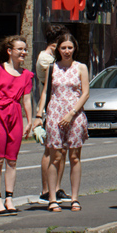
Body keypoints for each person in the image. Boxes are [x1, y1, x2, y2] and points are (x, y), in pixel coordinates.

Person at [0, 36, 34, 215]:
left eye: (25, 49)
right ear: (10, 51)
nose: (23, 52)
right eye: (20, 49)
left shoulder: (26, 75)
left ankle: (10, 198)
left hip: (15, 115)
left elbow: (26, 99)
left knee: (12, 159)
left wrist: (29, 121)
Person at [36, 32, 90, 211]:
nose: (67, 51)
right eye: (63, 48)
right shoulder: (52, 68)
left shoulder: (81, 67)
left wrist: (72, 113)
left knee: (74, 157)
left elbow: (85, 93)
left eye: (70, 47)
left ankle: (75, 198)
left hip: (74, 115)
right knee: (55, 157)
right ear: (58, 49)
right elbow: (46, 92)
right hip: (55, 114)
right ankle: (52, 198)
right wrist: (39, 115)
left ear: (75, 48)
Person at [34, 28, 65, 207]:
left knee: (61, 150)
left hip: (60, 106)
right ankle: (46, 189)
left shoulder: (52, 59)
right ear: (54, 45)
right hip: (50, 107)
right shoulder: (46, 60)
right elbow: (51, 84)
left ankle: (57, 187)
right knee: (50, 149)